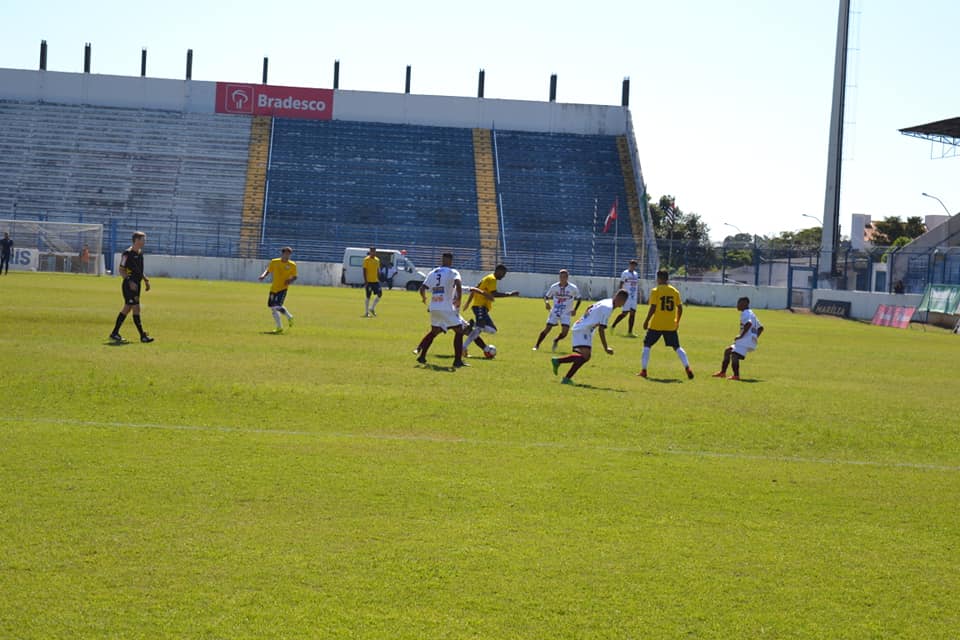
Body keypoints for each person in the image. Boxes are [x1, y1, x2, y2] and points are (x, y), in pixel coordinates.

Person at [551, 289, 628, 385]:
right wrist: (606, 347)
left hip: (584, 328)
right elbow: (601, 330)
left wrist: (587, 319)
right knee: (585, 356)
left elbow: (589, 307)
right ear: (620, 300)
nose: (622, 305)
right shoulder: (608, 308)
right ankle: (559, 363)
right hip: (583, 329)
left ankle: (565, 375)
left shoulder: (606, 301)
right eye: (623, 302)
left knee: (585, 357)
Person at [638, 269, 694, 380]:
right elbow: (680, 308)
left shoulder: (656, 291)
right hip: (670, 325)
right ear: (667, 278)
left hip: (656, 324)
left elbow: (653, 307)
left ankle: (644, 371)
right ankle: (687, 367)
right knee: (677, 347)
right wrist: (677, 321)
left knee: (647, 345)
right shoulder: (674, 291)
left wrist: (646, 320)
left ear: (658, 278)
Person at [413, 252, 467, 368]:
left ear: (442, 260)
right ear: (451, 261)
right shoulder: (453, 272)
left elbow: (422, 288)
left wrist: (424, 298)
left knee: (434, 332)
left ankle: (422, 357)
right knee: (459, 331)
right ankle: (457, 361)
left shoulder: (434, 272)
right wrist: (459, 300)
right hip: (446, 307)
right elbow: (458, 284)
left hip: (434, 307)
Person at [463, 264, 519, 355]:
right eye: (503, 273)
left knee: (492, 330)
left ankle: (472, 328)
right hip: (480, 306)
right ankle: (463, 347)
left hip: (481, 307)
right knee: (479, 328)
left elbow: (475, 288)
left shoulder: (488, 278)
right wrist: (510, 294)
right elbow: (494, 294)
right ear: (498, 271)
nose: (504, 276)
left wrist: (468, 302)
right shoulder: (492, 279)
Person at [109, 231, 154, 343]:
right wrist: (130, 281)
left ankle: (115, 333)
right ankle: (142, 336)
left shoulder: (140, 253)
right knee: (135, 308)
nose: (145, 242)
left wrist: (145, 279)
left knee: (127, 308)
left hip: (136, 285)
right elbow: (121, 270)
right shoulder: (127, 253)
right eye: (143, 239)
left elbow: (139, 270)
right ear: (137, 240)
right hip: (129, 286)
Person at [712, 297, 764, 381]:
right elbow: (761, 328)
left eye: (739, 303)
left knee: (734, 355)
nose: (737, 305)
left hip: (745, 340)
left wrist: (741, 336)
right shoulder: (751, 313)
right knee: (728, 351)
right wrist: (754, 337)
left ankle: (736, 375)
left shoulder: (745, 313)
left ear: (744, 304)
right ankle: (722, 373)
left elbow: (748, 324)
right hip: (748, 340)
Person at [533, 269, 582, 351]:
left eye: (564, 277)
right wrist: (547, 303)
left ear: (567, 277)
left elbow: (579, 298)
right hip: (555, 311)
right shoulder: (554, 287)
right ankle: (536, 346)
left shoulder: (573, 288)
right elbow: (546, 297)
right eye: (561, 277)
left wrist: (575, 309)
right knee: (547, 328)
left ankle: (556, 340)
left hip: (566, 312)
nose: (562, 278)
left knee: (564, 333)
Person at [258, 246, 297, 333]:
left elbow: (295, 276)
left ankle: (289, 316)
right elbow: (268, 270)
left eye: (289, 254)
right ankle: (279, 327)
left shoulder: (292, 264)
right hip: (274, 288)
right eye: (286, 253)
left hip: (283, 288)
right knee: (272, 307)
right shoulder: (274, 262)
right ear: (282, 253)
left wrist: (289, 280)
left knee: (277, 305)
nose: (287, 256)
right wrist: (263, 276)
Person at [609, 259, 641, 335]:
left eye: (634, 265)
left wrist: (638, 293)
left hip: (634, 296)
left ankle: (630, 332)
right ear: (629, 265)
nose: (633, 266)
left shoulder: (636, 274)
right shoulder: (625, 273)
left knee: (633, 313)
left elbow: (635, 284)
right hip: (627, 296)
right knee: (625, 313)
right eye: (632, 265)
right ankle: (613, 325)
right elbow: (621, 283)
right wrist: (620, 295)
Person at [363, 246, 382, 317]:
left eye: (374, 251)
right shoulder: (366, 260)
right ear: (370, 252)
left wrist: (379, 276)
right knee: (368, 296)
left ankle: (372, 308)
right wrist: (365, 281)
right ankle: (366, 312)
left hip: (375, 281)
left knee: (380, 294)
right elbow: (364, 270)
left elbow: (377, 270)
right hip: (369, 281)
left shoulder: (377, 260)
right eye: (372, 251)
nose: (373, 252)